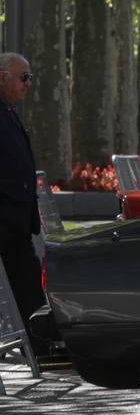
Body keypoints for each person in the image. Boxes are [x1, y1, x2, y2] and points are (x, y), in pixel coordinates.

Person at [0, 52, 47, 353]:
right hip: (6, 221)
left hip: (17, 221)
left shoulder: (9, 111)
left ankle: (41, 343)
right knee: (25, 283)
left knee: (29, 283)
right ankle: (40, 344)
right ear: (2, 76)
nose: (28, 84)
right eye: (23, 77)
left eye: (30, 77)